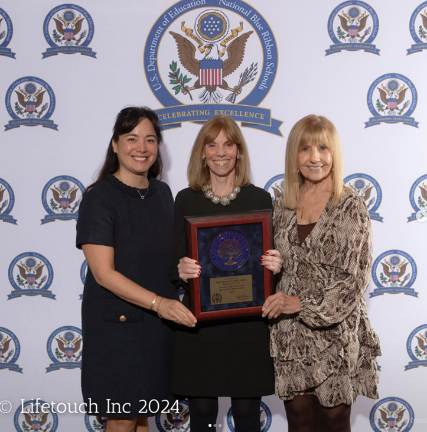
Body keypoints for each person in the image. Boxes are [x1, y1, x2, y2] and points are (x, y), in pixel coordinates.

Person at [76, 106, 197, 432]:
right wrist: (161, 304)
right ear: (115, 144)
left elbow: (163, 259)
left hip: (158, 329)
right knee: (122, 419)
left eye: (149, 139)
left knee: (143, 418)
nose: (141, 148)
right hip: (119, 330)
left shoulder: (161, 192)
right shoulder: (98, 199)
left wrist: (183, 269)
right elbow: (104, 274)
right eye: (131, 139)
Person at [263, 115, 381, 432]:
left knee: (333, 421)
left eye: (323, 148)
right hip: (291, 336)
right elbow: (278, 264)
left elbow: (353, 281)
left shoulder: (350, 206)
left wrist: (298, 302)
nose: (315, 157)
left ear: (334, 153)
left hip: (336, 333)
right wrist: (272, 265)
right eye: (305, 148)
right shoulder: (281, 205)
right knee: (298, 421)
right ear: (294, 156)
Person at [170, 115, 282, 432]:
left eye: (229, 144)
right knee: (202, 418)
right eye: (213, 144)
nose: (221, 152)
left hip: (246, 327)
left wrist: (275, 265)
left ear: (239, 151)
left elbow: (267, 267)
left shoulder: (260, 199)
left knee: (247, 417)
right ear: (202, 152)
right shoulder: (185, 199)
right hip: (200, 328)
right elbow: (171, 264)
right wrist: (180, 268)